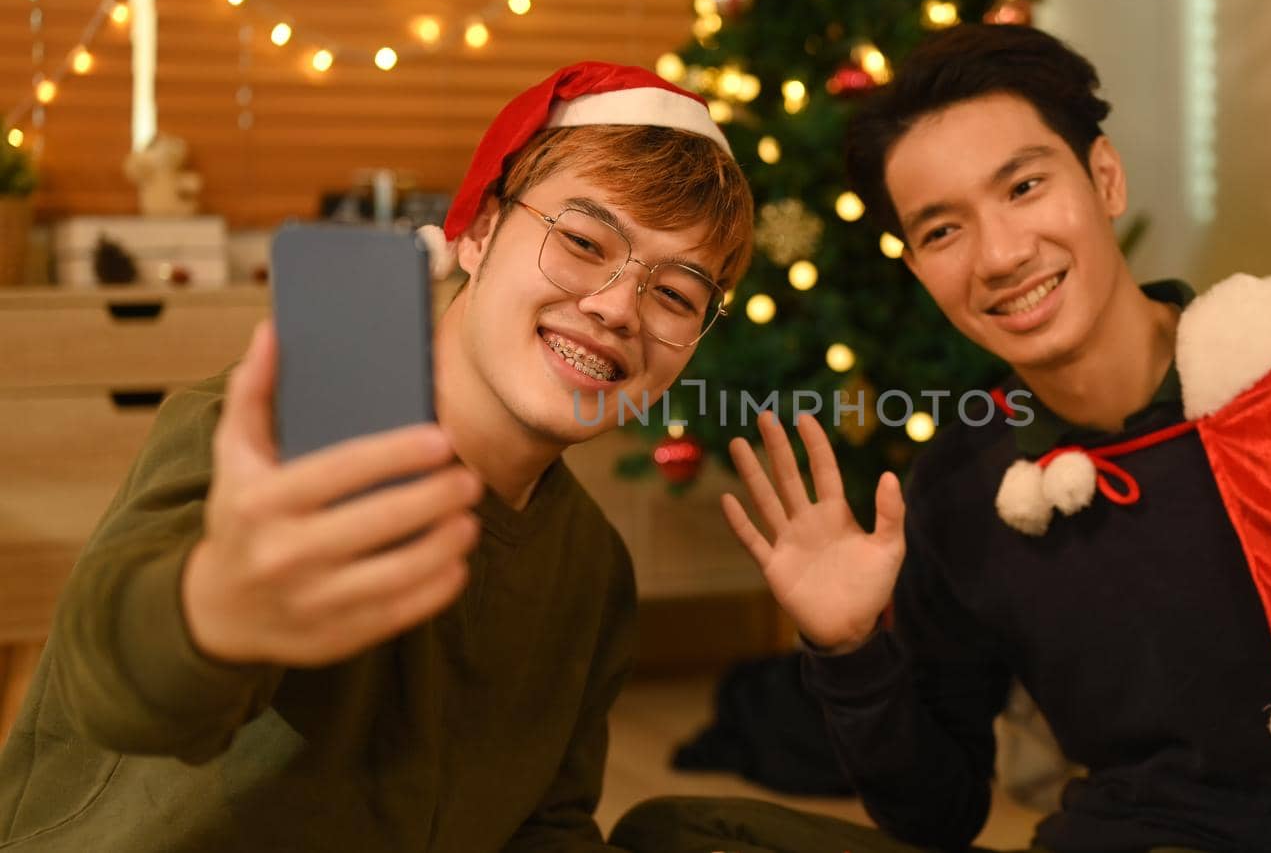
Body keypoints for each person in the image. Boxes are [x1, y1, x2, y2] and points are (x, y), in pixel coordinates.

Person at [609, 25, 1271, 853]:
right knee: (672, 829)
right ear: (916, 266)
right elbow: (940, 813)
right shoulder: (963, 482)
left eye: (1024, 188)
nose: (999, 254)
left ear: (1105, 179)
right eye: (941, 229)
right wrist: (848, 648)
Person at [0, 62, 753, 851]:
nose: (615, 307)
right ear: (481, 231)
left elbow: (547, 820)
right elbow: (110, 679)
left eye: (674, 294)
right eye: (582, 240)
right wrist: (212, 606)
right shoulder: (277, 441)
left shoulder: (594, 570)